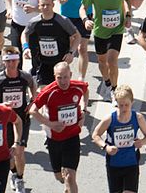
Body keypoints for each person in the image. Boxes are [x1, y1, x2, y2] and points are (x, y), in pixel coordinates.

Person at [30, 61, 89, 193]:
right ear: (54, 76)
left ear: (70, 74)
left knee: (69, 176)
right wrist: (51, 124)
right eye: (59, 78)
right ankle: (67, 186)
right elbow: (33, 110)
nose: (63, 81)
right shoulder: (49, 92)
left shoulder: (78, 87)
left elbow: (86, 91)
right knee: (60, 176)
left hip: (72, 136)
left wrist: (84, 111)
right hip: (54, 139)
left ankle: (69, 185)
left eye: (65, 77)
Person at [80, 0, 132, 98]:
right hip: (100, 31)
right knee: (102, 62)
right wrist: (85, 20)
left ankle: (115, 90)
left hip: (117, 30)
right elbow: (83, 8)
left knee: (112, 60)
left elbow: (127, 0)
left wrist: (128, 16)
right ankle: (108, 83)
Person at [0, 48, 37, 193]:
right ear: (3, 62)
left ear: (18, 61)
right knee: (10, 154)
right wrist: (0, 106)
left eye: (14, 61)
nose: (11, 64)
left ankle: (20, 178)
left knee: (20, 151)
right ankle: (14, 173)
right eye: (8, 61)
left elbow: (33, 86)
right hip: (4, 122)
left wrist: (32, 101)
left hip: (21, 120)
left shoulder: (25, 76)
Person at [91, 84, 146, 193]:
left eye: (126, 105)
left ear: (132, 102)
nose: (123, 108)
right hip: (114, 163)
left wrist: (141, 142)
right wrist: (106, 147)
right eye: (120, 105)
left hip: (131, 162)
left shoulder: (138, 118)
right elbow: (95, 135)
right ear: (116, 104)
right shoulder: (110, 119)